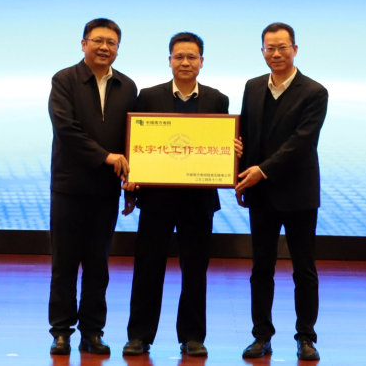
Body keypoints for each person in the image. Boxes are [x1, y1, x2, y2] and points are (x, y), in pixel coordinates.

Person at [120, 32, 234, 358]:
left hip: (198, 200)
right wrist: (132, 185)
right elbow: (136, 143)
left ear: (202, 62)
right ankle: (139, 336)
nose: (185, 62)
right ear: (169, 60)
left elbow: (222, 143)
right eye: (179, 56)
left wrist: (232, 151)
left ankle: (193, 337)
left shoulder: (217, 99)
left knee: (195, 271)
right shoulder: (148, 96)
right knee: (147, 269)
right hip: (156, 199)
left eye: (191, 57)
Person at [235, 22, 328, 362]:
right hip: (260, 194)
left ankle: (306, 337)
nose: (276, 53)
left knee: (304, 269)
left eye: (282, 47)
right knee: (261, 268)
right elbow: (247, 134)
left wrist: (261, 171)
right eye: (269, 48)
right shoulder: (253, 86)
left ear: (295, 50)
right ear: (262, 51)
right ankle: (261, 337)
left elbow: (301, 142)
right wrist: (238, 169)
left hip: (299, 193)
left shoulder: (314, 91)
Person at [46, 18, 138, 356]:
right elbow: (66, 129)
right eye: (98, 40)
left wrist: (131, 186)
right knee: (65, 263)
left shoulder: (127, 86)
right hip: (69, 187)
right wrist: (106, 157)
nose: (104, 47)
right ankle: (61, 332)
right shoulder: (64, 80)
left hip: (106, 190)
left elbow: (134, 140)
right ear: (84, 43)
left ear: (118, 49)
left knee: (98, 265)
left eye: (111, 42)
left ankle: (93, 332)